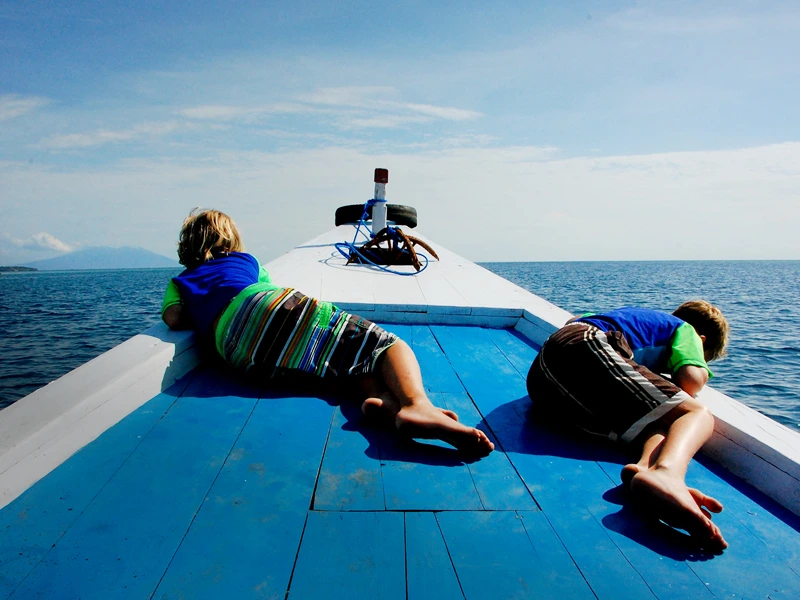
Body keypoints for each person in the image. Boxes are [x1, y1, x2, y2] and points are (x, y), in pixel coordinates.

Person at [162, 208, 494, 457]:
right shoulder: (244, 260)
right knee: (383, 345)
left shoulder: (180, 281)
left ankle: (388, 404)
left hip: (236, 353)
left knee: (335, 361)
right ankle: (418, 404)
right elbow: (264, 289)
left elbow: (175, 319)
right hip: (262, 304)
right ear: (230, 241)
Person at [526, 302, 730, 551]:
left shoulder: (629, 317)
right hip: (585, 345)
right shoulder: (686, 330)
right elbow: (691, 380)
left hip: (545, 383)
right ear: (702, 339)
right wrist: (698, 361)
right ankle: (668, 474)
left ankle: (646, 469)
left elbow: (575, 320)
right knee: (696, 413)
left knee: (655, 423)